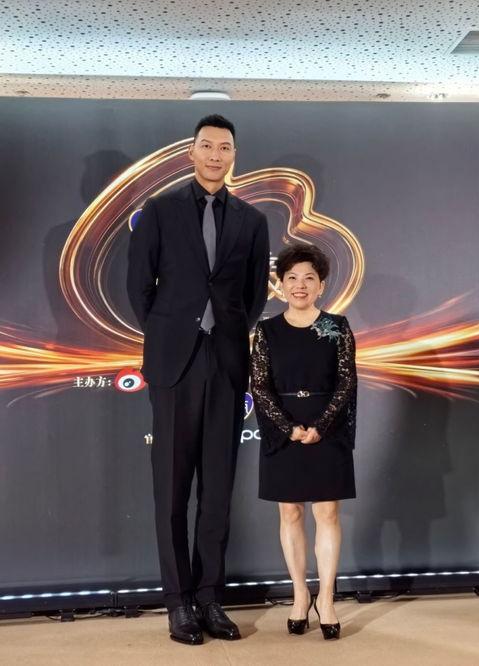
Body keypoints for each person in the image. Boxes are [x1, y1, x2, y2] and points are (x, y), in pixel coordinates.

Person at [127, 114, 270, 645]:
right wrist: (172, 332)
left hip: (226, 361)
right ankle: (178, 603)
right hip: (175, 363)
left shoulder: (252, 220)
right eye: (206, 146)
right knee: (171, 489)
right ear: (190, 153)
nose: (215, 155)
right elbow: (139, 288)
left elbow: (254, 294)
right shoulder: (159, 211)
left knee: (217, 489)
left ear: (234, 155)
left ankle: (210, 598)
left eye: (224, 147)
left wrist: (225, 333)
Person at [250, 243, 357, 640]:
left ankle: (326, 599)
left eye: (309, 278)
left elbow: (346, 382)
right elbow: (260, 386)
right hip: (283, 429)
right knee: (290, 513)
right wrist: (288, 428)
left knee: (327, 513)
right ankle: (299, 594)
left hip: (328, 428)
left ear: (321, 285)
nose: (300, 285)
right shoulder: (266, 331)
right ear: (280, 285)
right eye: (292, 277)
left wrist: (322, 425)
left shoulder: (337, 327)